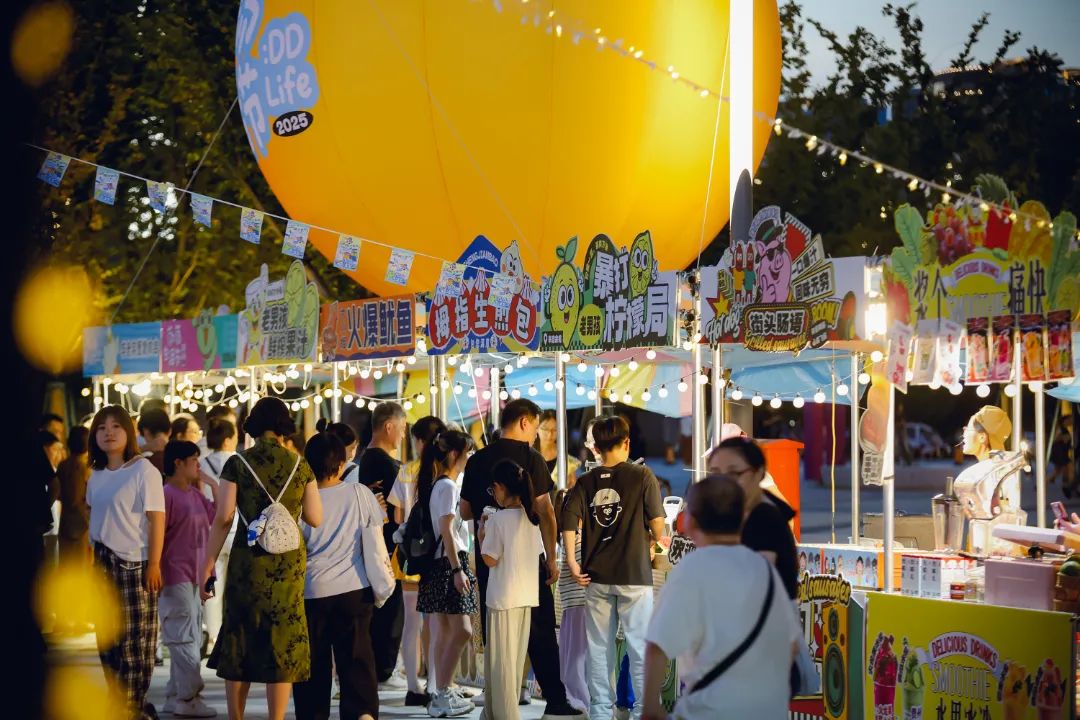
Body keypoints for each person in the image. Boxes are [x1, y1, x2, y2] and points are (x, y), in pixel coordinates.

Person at [199, 397, 324, 720]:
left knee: (240, 637)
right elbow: (315, 517)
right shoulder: (300, 465)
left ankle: (236, 717)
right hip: (288, 564)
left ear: (253, 425)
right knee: (281, 640)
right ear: (284, 425)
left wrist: (208, 561)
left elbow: (224, 517)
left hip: (249, 562)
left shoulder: (238, 463)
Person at [642, 475, 801, 720]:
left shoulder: (691, 570)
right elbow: (790, 643)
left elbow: (657, 646)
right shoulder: (765, 569)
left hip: (710, 708)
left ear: (691, 521)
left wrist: (651, 707)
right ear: (743, 520)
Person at [461, 399, 582, 719]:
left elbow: (464, 510)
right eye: (537, 427)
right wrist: (552, 558)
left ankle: (498, 704)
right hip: (529, 566)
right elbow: (547, 512)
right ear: (525, 422)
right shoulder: (532, 459)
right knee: (540, 633)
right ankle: (555, 700)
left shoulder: (477, 460)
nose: (537, 434)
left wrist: (487, 521)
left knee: (498, 640)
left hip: (492, 568)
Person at [561, 415, 666, 720]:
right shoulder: (643, 475)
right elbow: (658, 527)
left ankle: (600, 713)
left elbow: (568, 521)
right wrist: (652, 536)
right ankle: (643, 712)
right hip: (634, 574)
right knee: (639, 646)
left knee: (598, 649)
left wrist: (572, 561)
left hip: (596, 576)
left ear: (596, 447)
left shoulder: (586, 481)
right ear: (627, 442)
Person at [292, 431, 385, 720]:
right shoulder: (359, 493)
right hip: (354, 590)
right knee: (357, 663)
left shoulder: (299, 500)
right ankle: (363, 714)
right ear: (342, 464)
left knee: (313, 669)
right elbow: (376, 536)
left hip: (311, 592)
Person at [86, 405, 165, 720]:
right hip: (102, 561)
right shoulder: (96, 474)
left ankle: (131, 708)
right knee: (106, 640)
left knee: (135, 644)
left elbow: (157, 519)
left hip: (134, 563)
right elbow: (95, 518)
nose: (108, 432)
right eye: (101, 427)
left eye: (115, 426)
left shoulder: (143, 470)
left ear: (129, 432)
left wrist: (154, 563)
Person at [415, 430, 477, 718]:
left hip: (439, 564)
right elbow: (447, 531)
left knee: (446, 630)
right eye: (467, 452)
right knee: (462, 629)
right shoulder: (448, 486)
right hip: (449, 562)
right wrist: (457, 569)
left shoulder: (438, 484)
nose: (469, 457)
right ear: (454, 454)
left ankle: (441, 691)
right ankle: (442, 691)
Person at [479, 460, 545, 720]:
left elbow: (490, 559)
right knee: (514, 663)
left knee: (500, 664)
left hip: (502, 598)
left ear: (500, 487)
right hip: (525, 596)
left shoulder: (498, 520)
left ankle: (503, 714)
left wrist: (482, 534)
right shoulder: (532, 518)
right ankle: (496, 713)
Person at [389, 415, 447, 707]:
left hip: (412, 554)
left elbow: (398, 516)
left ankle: (412, 686)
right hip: (438, 554)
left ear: (419, 441)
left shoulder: (406, 471)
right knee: (435, 623)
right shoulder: (445, 472)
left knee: (411, 622)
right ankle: (435, 683)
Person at [160, 440, 218, 718]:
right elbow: (157, 536)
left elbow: (220, 515)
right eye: (194, 460)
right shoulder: (167, 495)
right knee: (183, 637)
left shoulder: (194, 494)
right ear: (178, 463)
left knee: (190, 634)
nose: (198, 464)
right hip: (174, 573)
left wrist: (211, 483)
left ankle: (176, 694)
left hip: (195, 574)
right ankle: (188, 696)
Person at [354, 402, 407, 688]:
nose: (403, 435)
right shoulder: (385, 464)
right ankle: (384, 668)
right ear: (389, 427)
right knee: (388, 611)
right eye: (402, 428)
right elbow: (398, 512)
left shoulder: (365, 460)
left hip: (372, 548)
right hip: (386, 548)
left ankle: (381, 668)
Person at [708, 437, 799, 600]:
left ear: (759, 473)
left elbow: (758, 585)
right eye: (715, 473)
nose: (723, 482)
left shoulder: (764, 518)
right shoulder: (739, 512)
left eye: (734, 473)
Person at [199, 417, 239, 652]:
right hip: (235, 531)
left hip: (211, 533)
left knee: (213, 587)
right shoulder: (238, 461)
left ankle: (214, 638)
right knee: (235, 589)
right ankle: (233, 636)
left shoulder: (201, 464)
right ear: (227, 440)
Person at [57, 426, 92, 570]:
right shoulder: (85, 468)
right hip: (82, 525)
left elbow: (60, 494)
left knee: (67, 568)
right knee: (81, 571)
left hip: (65, 523)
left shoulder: (63, 465)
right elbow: (78, 498)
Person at [538, 410, 580, 496]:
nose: (549, 434)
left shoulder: (566, 458)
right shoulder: (528, 454)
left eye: (554, 430)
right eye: (545, 429)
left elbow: (574, 488)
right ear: (537, 428)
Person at [138, 407, 171, 476]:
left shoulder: (144, 464)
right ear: (170, 431)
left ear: (146, 432)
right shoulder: (183, 457)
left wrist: (143, 449)